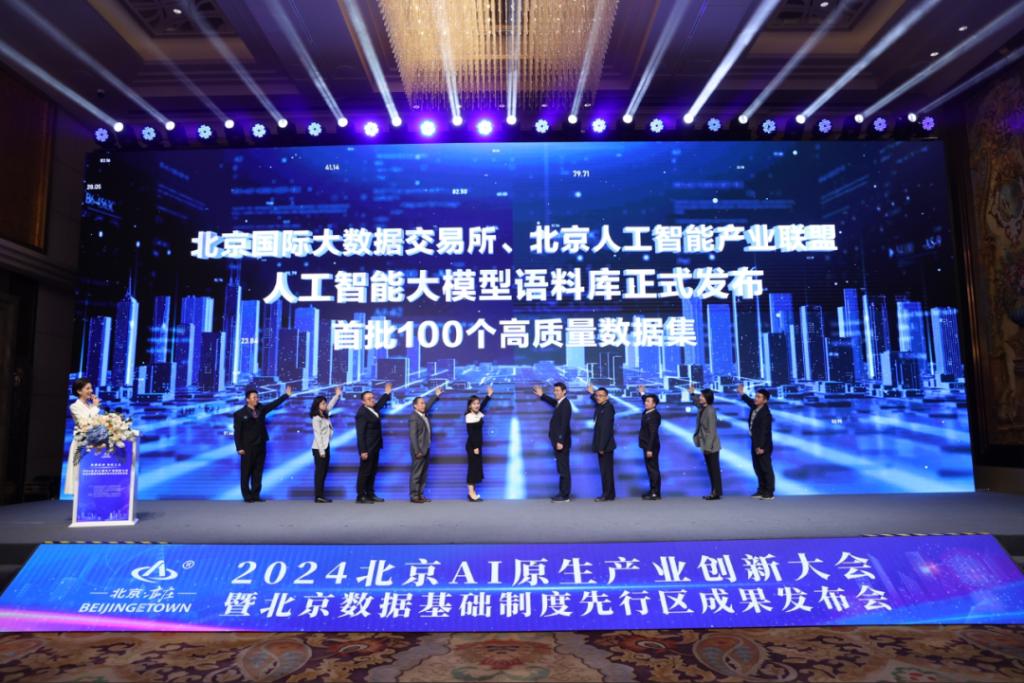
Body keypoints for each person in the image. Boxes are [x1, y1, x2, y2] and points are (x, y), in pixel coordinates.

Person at [233, 385, 293, 503]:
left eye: (257, 397)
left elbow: (274, 404)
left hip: (261, 445)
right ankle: (247, 496)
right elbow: (237, 432)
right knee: (246, 473)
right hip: (247, 447)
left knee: (258, 472)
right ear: (247, 399)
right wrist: (239, 447)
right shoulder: (239, 414)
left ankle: (255, 495)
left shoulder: (261, 409)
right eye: (254, 397)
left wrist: (286, 395)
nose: (257, 399)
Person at [533, 382, 573, 502]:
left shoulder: (565, 404)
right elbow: (553, 402)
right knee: (561, 468)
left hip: (562, 443)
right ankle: (562, 493)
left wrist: (560, 440)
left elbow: (564, 424)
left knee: (563, 469)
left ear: (564, 391)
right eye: (554, 390)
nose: (555, 392)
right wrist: (542, 395)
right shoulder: (561, 403)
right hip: (559, 442)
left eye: (558, 390)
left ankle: (565, 495)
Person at [354, 382, 393, 504]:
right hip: (367, 448)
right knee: (365, 472)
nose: (372, 400)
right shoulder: (362, 413)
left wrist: (387, 393)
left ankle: (370, 494)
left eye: (372, 397)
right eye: (368, 399)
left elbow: (380, 404)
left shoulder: (373, 409)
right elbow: (360, 434)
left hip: (375, 446)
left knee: (372, 471)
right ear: (363, 402)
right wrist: (363, 451)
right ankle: (361, 496)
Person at [738, 384, 775, 500]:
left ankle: (769, 492)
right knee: (758, 468)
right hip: (755, 443)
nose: (756, 398)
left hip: (763, 445)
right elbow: (749, 401)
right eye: (756, 396)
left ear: (765, 400)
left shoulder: (766, 414)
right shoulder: (755, 407)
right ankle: (761, 490)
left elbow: (765, 432)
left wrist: (761, 447)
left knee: (766, 469)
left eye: (759, 397)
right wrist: (742, 393)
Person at [66, 377, 101, 496]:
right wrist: (95, 407)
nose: (91, 391)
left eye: (91, 388)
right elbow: (84, 422)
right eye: (88, 388)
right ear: (79, 391)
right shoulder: (74, 406)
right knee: (80, 474)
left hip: (93, 443)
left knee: (91, 474)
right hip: (81, 443)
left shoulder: (90, 406)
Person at [408, 386, 443, 503]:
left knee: (423, 474)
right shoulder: (414, 417)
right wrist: (417, 451)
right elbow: (413, 436)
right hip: (419, 451)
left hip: (426, 449)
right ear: (415, 406)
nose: (424, 405)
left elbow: (429, 405)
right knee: (417, 474)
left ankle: (420, 495)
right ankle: (414, 496)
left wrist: (436, 395)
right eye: (422, 403)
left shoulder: (423, 413)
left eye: (424, 403)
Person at [310, 386, 342, 503]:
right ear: (317, 405)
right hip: (319, 449)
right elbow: (317, 435)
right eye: (323, 403)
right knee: (320, 473)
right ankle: (318, 496)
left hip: (326, 446)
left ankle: (321, 495)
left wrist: (337, 395)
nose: (325, 405)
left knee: (323, 472)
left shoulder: (324, 414)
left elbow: (331, 405)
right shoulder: (316, 418)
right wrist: (321, 451)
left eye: (325, 403)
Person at [690, 386, 722, 500]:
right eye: (700, 396)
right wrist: (692, 394)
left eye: (702, 396)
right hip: (706, 445)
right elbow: (696, 403)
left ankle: (716, 492)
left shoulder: (710, 411)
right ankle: (714, 491)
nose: (700, 397)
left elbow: (711, 431)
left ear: (707, 398)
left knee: (714, 470)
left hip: (711, 446)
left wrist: (707, 447)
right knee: (711, 469)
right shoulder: (703, 408)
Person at [586, 384, 616, 501]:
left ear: (606, 397)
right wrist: (592, 393)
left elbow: (606, 430)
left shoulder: (608, 408)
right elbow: (596, 400)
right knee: (606, 471)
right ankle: (610, 494)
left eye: (601, 396)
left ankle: (606, 494)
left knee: (606, 472)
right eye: (597, 395)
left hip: (605, 446)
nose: (598, 397)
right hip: (604, 445)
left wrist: (601, 447)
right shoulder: (602, 406)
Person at [464, 386, 494, 502]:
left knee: (476, 468)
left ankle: (473, 492)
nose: (477, 405)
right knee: (472, 469)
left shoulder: (478, 413)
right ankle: (471, 493)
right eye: (474, 404)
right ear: (470, 406)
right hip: (473, 446)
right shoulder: (469, 416)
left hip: (477, 445)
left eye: (478, 403)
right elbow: (471, 434)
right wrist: (475, 447)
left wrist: (489, 395)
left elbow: (484, 405)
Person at [636, 385, 662, 500]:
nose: (645, 403)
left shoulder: (654, 416)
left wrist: (650, 449)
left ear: (654, 404)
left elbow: (653, 434)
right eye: (645, 401)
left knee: (653, 469)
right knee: (650, 469)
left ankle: (655, 492)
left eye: (648, 401)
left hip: (651, 446)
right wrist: (642, 393)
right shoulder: (649, 412)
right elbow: (645, 399)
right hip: (647, 445)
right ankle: (652, 490)